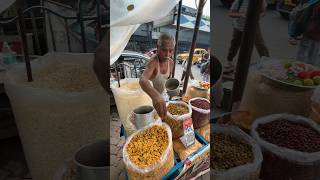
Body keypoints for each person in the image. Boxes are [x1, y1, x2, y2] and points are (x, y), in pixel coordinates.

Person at [224, 0, 270, 73]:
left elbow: (263, 12)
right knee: (234, 45)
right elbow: (230, 14)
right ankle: (229, 61)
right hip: (239, 27)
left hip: (253, 26)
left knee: (260, 44)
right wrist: (241, 15)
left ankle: (267, 63)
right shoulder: (239, 1)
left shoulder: (260, 1)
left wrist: (258, 16)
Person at [139, 33, 175, 119]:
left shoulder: (171, 62)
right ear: (158, 48)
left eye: (171, 50)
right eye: (164, 50)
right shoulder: (153, 62)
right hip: (150, 97)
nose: (167, 54)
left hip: (162, 95)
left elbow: (167, 80)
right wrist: (155, 96)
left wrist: (172, 90)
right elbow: (142, 79)